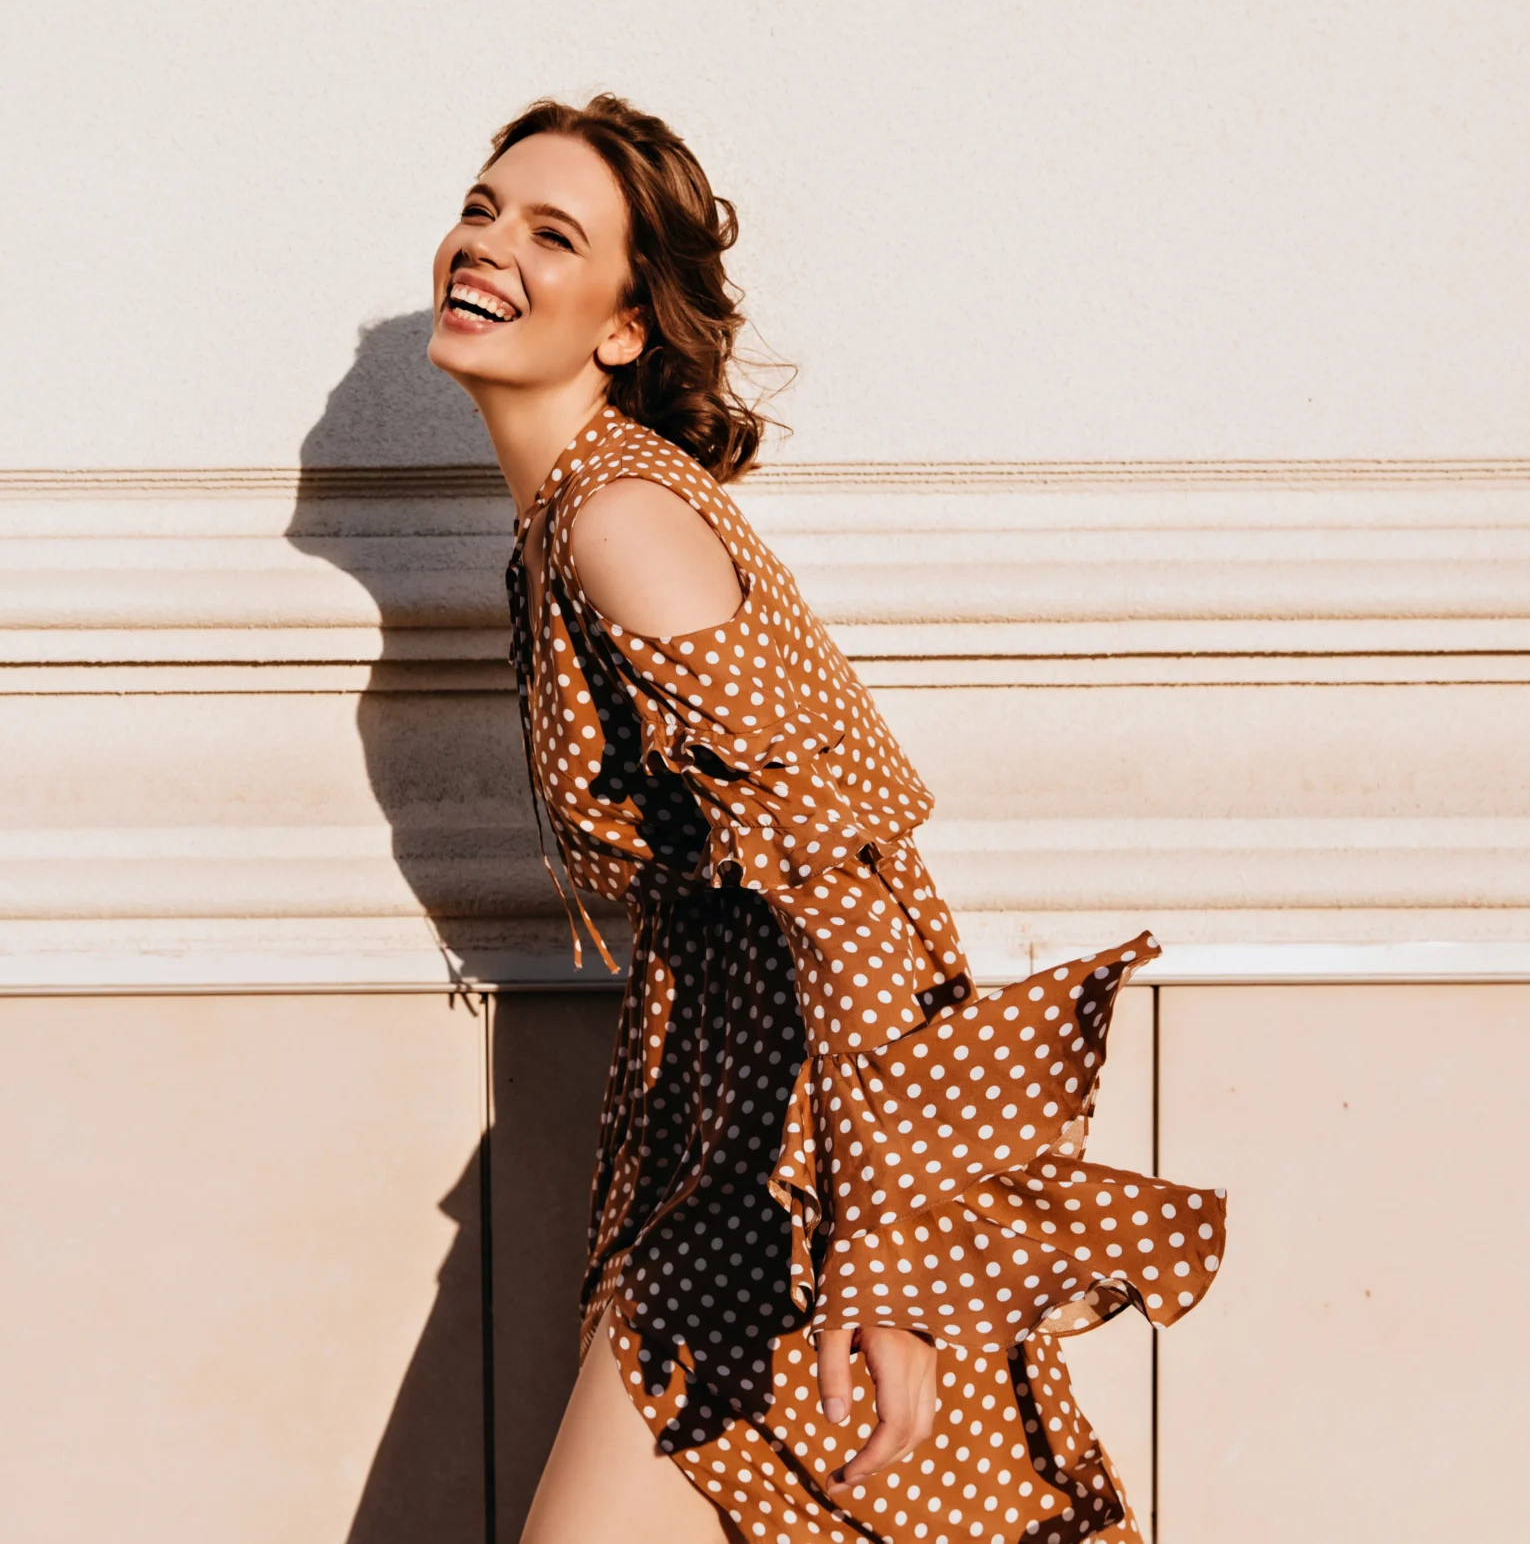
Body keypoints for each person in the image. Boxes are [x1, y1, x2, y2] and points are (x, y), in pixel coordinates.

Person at [429, 94, 1228, 1544]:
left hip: (784, 1132)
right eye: (483, 209)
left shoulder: (619, 520)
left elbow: (841, 878)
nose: (487, 246)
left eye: (554, 232)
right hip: (731, 1112)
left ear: (624, 326)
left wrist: (885, 1256)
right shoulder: (584, 514)